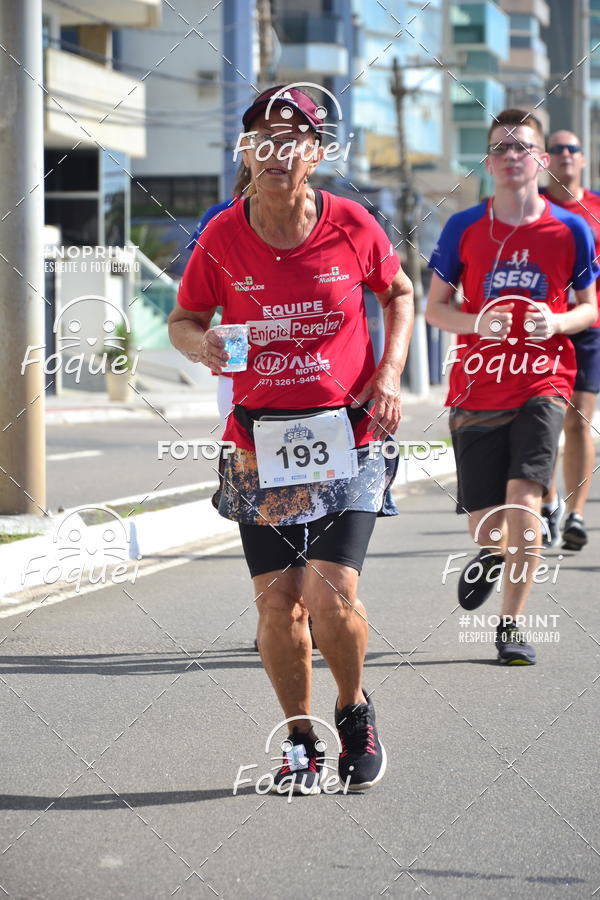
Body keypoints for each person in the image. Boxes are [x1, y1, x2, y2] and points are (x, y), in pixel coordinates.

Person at [168, 85, 414, 792]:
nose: (277, 152)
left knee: (328, 593)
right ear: (246, 152)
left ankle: (353, 708)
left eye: (293, 139)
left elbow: (396, 292)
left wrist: (391, 371)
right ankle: (301, 738)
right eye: (263, 140)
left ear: (315, 153)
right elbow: (184, 318)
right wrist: (203, 344)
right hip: (258, 445)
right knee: (278, 604)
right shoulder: (221, 235)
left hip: (351, 436)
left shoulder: (352, 224)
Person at [426, 109, 598, 665]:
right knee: (487, 522)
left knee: (526, 503)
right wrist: (478, 323)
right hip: (477, 385)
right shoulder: (464, 228)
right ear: (488, 162)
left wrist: (558, 323)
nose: (511, 156)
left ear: (541, 161)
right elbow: (435, 309)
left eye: (522, 147)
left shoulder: (569, 229)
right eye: (500, 148)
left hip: (543, 381)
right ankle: (490, 552)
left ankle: (511, 625)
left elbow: (589, 307)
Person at [539, 130, 600, 550]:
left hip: (589, 328)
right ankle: (548, 504)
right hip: (540, 330)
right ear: (545, 159)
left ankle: (576, 514)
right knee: (543, 423)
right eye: (556, 149)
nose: (564, 155)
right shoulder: (533, 208)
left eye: (571, 149)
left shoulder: (597, 208)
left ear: (582, 159)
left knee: (579, 420)